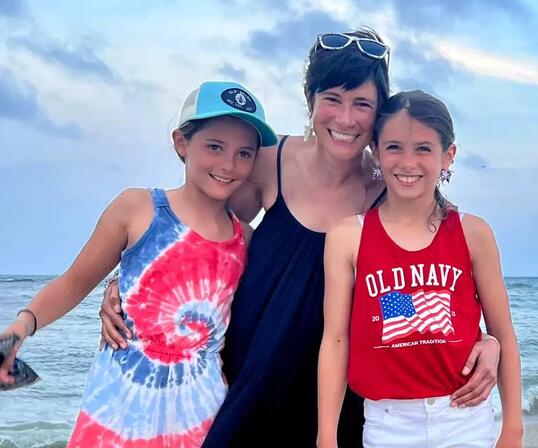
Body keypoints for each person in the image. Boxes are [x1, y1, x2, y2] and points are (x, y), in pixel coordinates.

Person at [100, 29, 501, 447]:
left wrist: (486, 340)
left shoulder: (393, 193)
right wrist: (128, 283)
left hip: (344, 400)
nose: (345, 119)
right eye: (331, 99)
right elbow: (204, 241)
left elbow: (433, 282)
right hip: (254, 375)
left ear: (378, 112)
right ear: (310, 101)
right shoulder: (269, 164)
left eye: (362, 104)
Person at [0, 81, 278, 447]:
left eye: (244, 153)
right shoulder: (137, 209)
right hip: (119, 406)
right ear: (181, 143)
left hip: (200, 412)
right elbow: (72, 283)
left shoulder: (246, 239)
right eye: (214, 147)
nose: (229, 164)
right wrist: (22, 326)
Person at [317, 90, 523, 448]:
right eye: (394, 147)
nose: (407, 162)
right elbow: (336, 340)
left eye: (424, 149)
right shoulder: (348, 237)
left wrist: (513, 429)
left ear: (448, 156)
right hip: (387, 424)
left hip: (465, 418)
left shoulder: (473, 233)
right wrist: (326, 436)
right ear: (376, 152)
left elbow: (502, 333)